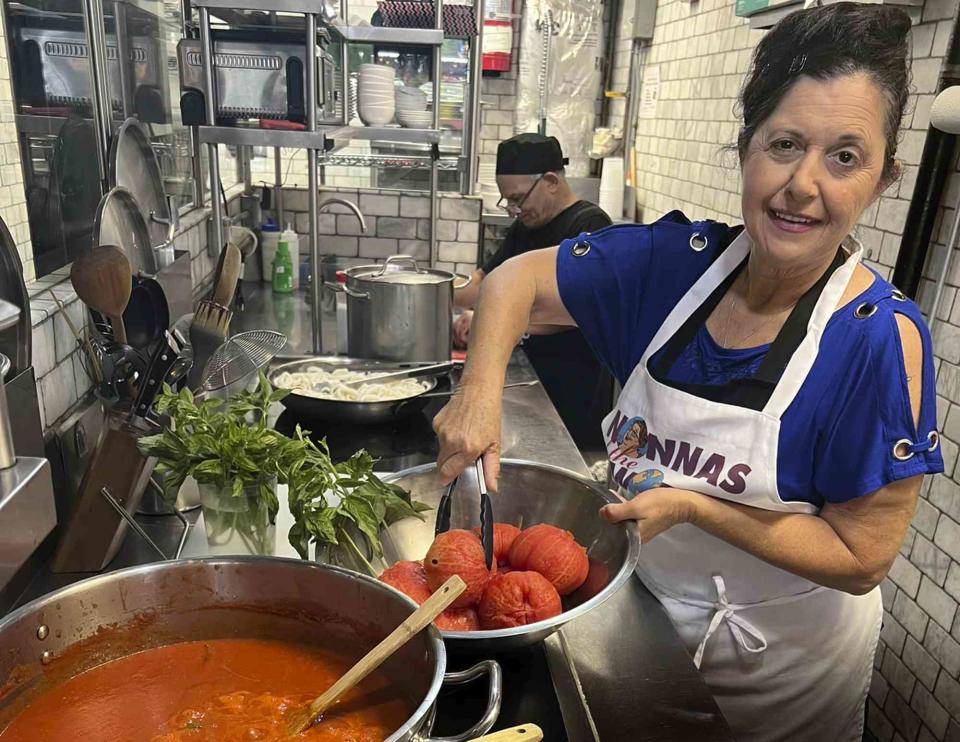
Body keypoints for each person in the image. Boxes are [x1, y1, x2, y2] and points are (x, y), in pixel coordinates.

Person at [432, 4, 944, 741]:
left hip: (785, 679)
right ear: (745, 149)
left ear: (883, 178)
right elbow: (514, 279)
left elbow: (862, 557)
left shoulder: (879, 342)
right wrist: (480, 394)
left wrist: (699, 508)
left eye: (845, 157)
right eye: (785, 143)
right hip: (643, 631)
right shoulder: (674, 265)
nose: (803, 185)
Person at [454, 133, 614, 450]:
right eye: (508, 201)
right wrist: (433, 287)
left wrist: (496, 320)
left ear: (551, 181)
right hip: (530, 381)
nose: (514, 209)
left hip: (571, 391)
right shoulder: (527, 226)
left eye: (517, 199)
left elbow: (575, 311)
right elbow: (486, 281)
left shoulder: (590, 226)